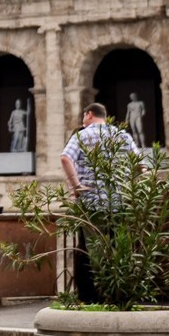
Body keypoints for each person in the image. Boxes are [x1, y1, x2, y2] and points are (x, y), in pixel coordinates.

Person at [61, 103, 138, 301]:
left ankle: (100, 294)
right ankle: (122, 294)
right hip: (119, 202)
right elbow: (141, 165)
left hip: (92, 202)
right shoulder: (123, 135)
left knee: (94, 249)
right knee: (121, 247)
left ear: (89, 115)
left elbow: (65, 158)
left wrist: (76, 186)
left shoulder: (82, 135)